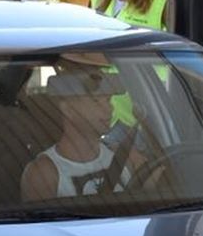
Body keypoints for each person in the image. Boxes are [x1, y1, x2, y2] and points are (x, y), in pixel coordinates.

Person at [19, 66, 143, 201]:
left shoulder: (124, 156)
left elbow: (162, 183)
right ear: (68, 109)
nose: (109, 108)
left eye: (107, 100)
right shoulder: (44, 174)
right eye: (96, 101)